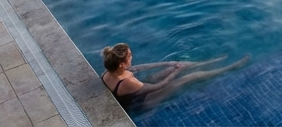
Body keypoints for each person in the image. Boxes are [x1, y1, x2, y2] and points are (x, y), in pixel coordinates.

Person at [101, 43, 248, 112]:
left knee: (176, 65)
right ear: (121, 64)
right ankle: (230, 68)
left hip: (139, 88)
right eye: (130, 56)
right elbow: (161, 85)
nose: (132, 57)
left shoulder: (109, 71)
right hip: (144, 101)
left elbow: (141, 67)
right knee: (187, 78)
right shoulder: (128, 82)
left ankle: (210, 62)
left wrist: (170, 63)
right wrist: (177, 71)